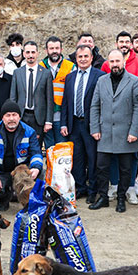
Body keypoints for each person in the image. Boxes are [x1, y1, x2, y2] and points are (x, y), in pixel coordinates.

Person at [89, 50, 138, 213]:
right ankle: (104, 197)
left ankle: (121, 198)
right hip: (104, 132)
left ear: (123, 62)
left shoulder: (134, 81)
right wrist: (95, 128)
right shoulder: (101, 81)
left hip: (126, 133)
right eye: (111, 61)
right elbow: (95, 105)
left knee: (126, 169)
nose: (114, 64)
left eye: (117, 61)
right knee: (102, 167)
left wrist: (134, 131)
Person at [101, 31, 138, 202]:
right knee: (114, 154)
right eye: (120, 41)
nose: (124, 44)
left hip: (131, 117)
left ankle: (131, 185)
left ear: (130, 45)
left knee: (132, 155)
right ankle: (115, 185)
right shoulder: (108, 66)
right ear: (116, 44)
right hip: (113, 121)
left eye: (126, 42)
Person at [61, 45, 105, 204]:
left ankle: (93, 190)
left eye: (86, 56)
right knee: (77, 159)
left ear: (91, 58)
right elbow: (65, 102)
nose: (83, 59)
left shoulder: (100, 76)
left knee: (92, 159)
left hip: (91, 125)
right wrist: (64, 124)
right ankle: (80, 188)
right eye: (80, 57)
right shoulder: (70, 77)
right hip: (74, 124)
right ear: (76, 59)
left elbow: (102, 103)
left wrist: (98, 126)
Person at [0, 100, 43, 211]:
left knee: (41, 172)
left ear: (19, 117)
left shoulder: (29, 132)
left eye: (14, 115)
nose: (11, 118)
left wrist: (36, 168)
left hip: (21, 172)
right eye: (8, 115)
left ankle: (30, 202)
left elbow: (36, 153)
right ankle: (6, 197)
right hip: (1, 171)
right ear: (2, 118)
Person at [10, 41, 54, 142]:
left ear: (38, 53)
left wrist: (48, 121)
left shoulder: (46, 73)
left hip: (38, 118)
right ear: (24, 54)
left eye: (33, 52)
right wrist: (12, 116)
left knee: (36, 146)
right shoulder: (17, 73)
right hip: (21, 116)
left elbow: (49, 99)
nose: (30, 55)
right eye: (28, 52)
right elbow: (13, 97)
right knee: (20, 145)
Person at [40, 36, 74, 149]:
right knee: (49, 150)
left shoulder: (70, 67)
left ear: (61, 50)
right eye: (51, 48)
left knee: (62, 150)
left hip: (62, 116)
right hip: (45, 117)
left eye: (57, 48)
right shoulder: (40, 67)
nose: (54, 51)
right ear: (46, 50)